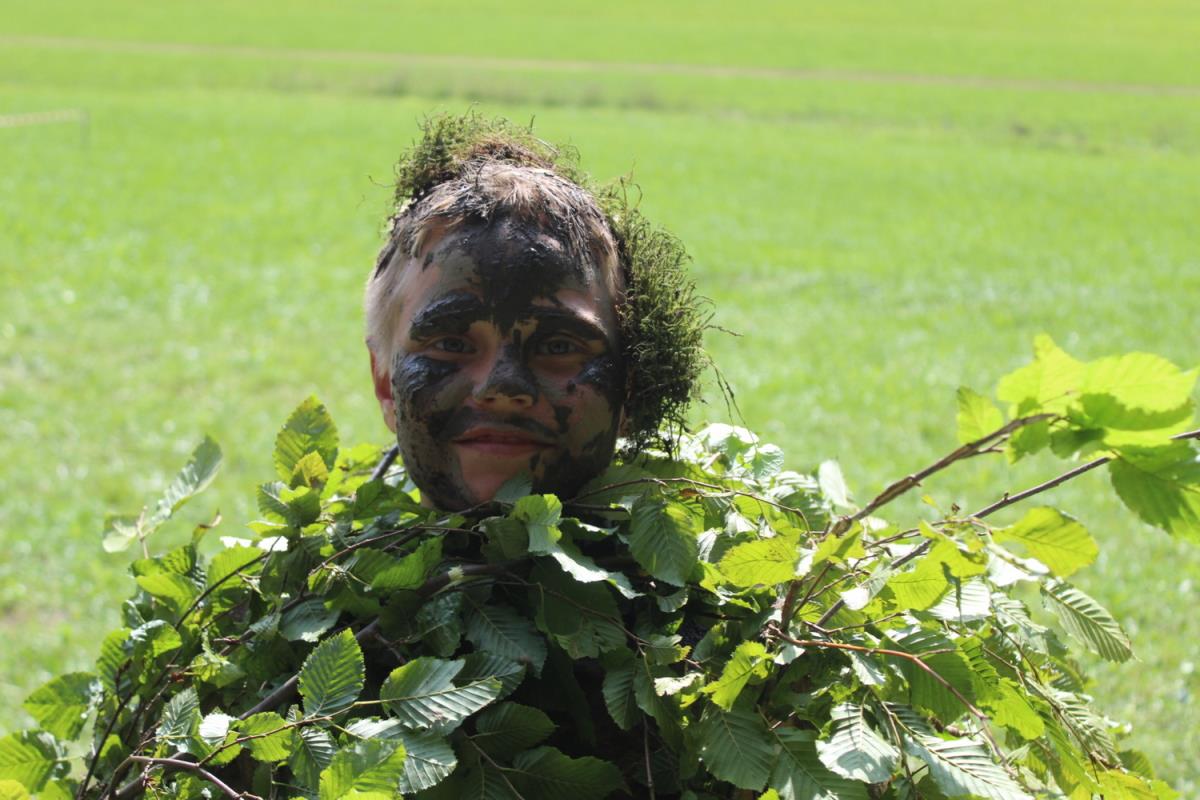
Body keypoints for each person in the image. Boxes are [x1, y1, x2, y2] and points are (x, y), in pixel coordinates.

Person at [364, 114, 707, 510]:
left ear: (629, 389)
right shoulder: (317, 551)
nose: (503, 388)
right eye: (452, 344)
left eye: (558, 347)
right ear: (385, 383)